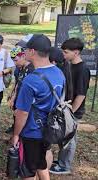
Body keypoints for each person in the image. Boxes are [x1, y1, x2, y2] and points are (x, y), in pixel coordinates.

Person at [12, 34, 65, 180]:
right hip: (50, 129)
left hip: (32, 133)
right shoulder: (59, 73)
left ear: (32, 51)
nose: (24, 52)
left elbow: (22, 113)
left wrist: (16, 134)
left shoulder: (31, 80)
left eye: (26, 49)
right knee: (41, 163)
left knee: (28, 171)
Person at [50, 38, 90, 175]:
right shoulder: (68, 65)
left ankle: (64, 165)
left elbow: (81, 94)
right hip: (64, 108)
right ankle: (61, 160)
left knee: (69, 138)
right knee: (63, 135)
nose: (63, 54)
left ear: (76, 52)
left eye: (66, 52)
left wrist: (71, 112)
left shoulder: (83, 69)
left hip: (73, 111)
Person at [6, 46, 34, 134]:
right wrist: (13, 98)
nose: (14, 63)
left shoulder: (31, 70)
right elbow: (18, 83)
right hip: (18, 100)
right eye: (13, 61)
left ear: (23, 56)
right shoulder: (21, 68)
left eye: (16, 60)